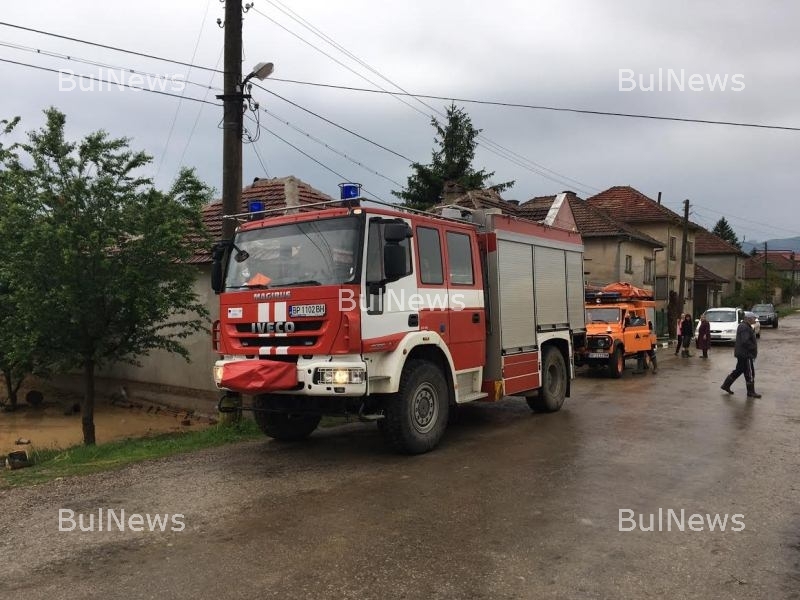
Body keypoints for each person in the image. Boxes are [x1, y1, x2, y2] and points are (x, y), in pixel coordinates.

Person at [720, 313, 761, 398]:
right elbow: (745, 341)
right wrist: (753, 347)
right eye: (754, 318)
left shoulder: (745, 326)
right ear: (748, 319)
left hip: (743, 353)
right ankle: (751, 392)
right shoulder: (744, 327)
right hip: (745, 354)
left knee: (739, 370)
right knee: (750, 372)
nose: (755, 320)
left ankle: (725, 385)